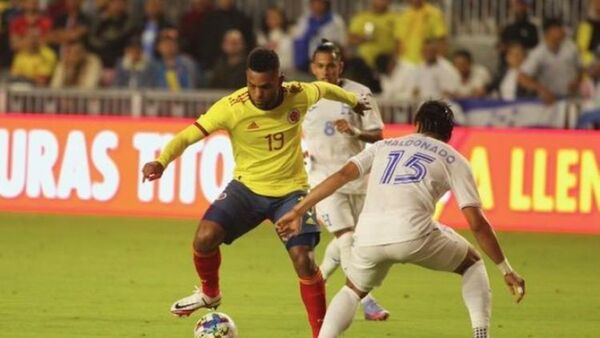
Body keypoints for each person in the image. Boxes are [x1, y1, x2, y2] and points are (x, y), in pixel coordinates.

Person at [141, 47, 370, 338]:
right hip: (246, 189)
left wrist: (353, 101)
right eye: (252, 86)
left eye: (266, 87)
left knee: (304, 259)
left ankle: (320, 334)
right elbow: (188, 135)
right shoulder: (231, 107)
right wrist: (161, 161)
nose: (258, 94)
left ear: (280, 80)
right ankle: (210, 293)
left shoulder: (298, 93)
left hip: (291, 193)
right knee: (205, 237)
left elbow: (324, 88)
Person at [277, 100, 526, 338]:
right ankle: (481, 334)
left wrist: (299, 210)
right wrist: (506, 269)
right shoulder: (454, 159)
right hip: (413, 235)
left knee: (352, 289)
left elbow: (342, 175)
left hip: (368, 236)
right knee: (472, 263)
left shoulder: (384, 146)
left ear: (417, 123)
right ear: (449, 132)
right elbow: (477, 223)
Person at [303, 40, 388, 321]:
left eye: (331, 66)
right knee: (346, 236)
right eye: (321, 66)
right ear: (313, 68)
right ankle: (367, 301)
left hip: (355, 176)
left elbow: (377, 134)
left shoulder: (359, 94)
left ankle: (321, 275)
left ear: (340, 66)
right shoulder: (305, 97)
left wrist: (354, 132)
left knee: (356, 241)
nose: (326, 71)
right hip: (323, 180)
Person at [518, 17, 582, 104]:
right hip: (551, 101)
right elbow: (522, 77)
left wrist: (577, 81)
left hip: (572, 98)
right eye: (558, 28)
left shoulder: (571, 47)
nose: (562, 30)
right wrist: (541, 90)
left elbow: (580, 69)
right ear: (548, 32)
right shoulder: (538, 52)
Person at [394, 0, 447, 64]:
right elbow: (398, 42)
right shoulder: (403, 16)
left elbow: (441, 40)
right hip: (405, 63)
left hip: (425, 63)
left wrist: (439, 63)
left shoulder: (434, 13)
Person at [348, 0, 397, 69]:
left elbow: (399, 42)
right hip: (364, 65)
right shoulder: (361, 17)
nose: (381, 2)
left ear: (390, 2)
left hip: (386, 65)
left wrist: (393, 61)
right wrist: (364, 38)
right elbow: (350, 39)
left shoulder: (396, 18)